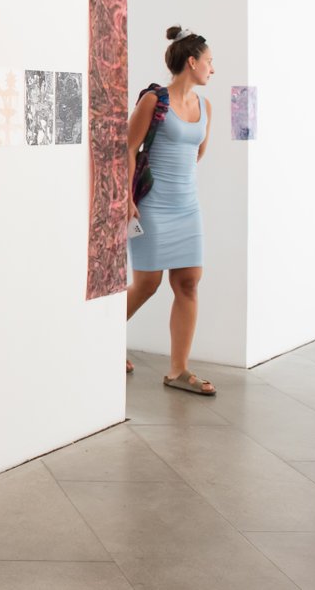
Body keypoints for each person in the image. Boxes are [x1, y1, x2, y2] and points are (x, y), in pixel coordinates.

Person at [126, 26, 216, 395]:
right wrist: (128, 200)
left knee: (189, 283)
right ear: (191, 62)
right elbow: (128, 149)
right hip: (153, 207)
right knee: (148, 284)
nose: (213, 68)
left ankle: (178, 370)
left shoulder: (205, 106)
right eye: (209, 62)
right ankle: (99, 342)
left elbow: (198, 152)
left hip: (187, 207)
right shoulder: (153, 100)